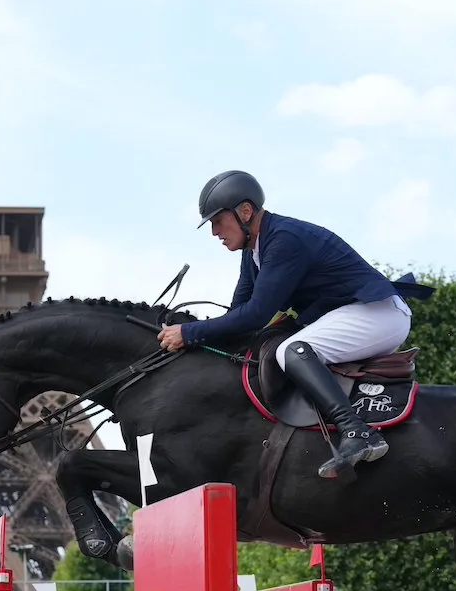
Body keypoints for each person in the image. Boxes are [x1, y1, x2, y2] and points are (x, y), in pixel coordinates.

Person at [160, 170, 431, 479]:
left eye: (217, 221)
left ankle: (358, 432)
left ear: (245, 212)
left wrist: (189, 333)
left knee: (291, 350)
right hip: (354, 314)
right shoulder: (254, 254)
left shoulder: (284, 240)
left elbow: (256, 315)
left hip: (378, 313)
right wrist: (197, 340)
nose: (214, 232)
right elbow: (239, 315)